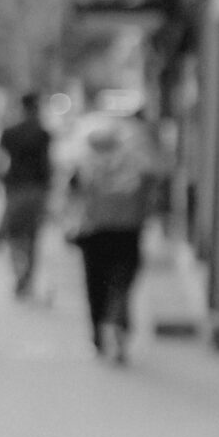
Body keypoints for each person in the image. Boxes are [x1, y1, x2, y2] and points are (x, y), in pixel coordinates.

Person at [65, 117, 156, 361]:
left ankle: (98, 334)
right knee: (122, 284)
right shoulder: (134, 164)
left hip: (94, 234)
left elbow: (71, 198)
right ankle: (118, 323)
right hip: (127, 233)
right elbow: (150, 192)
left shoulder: (84, 165)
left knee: (95, 286)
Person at [0, 89, 53, 297]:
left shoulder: (10, 133)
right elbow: (48, 165)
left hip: (16, 189)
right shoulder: (43, 133)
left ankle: (19, 272)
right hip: (37, 190)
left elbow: (0, 162)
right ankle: (26, 276)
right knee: (32, 237)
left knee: (15, 235)